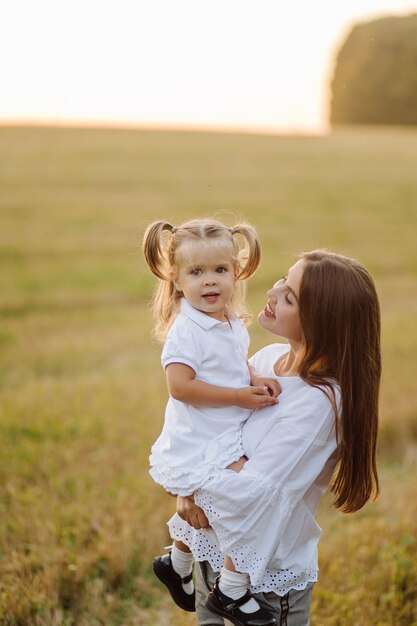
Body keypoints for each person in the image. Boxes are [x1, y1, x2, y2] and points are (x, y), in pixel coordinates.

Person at [169, 250, 381, 626]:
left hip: (261, 582)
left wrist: (193, 483)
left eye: (289, 296)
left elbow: (249, 495)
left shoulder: (321, 404)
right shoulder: (266, 361)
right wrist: (187, 489)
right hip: (211, 552)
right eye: (283, 280)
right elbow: (202, 432)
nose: (271, 291)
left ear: (321, 322)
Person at [143, 218, 281, 625]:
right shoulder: (186, 330)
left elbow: (232, 367)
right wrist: (240, 396)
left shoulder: (231, 321)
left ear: (236, 273)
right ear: (176, 278)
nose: (210, 282)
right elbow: (181, 387)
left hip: (224, 429)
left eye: (220, 270)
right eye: (196, 272)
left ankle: (178, 563)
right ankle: (231, 590)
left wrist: (253, 378)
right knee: (248, 494)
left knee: (216, 506)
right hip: (201, 439)